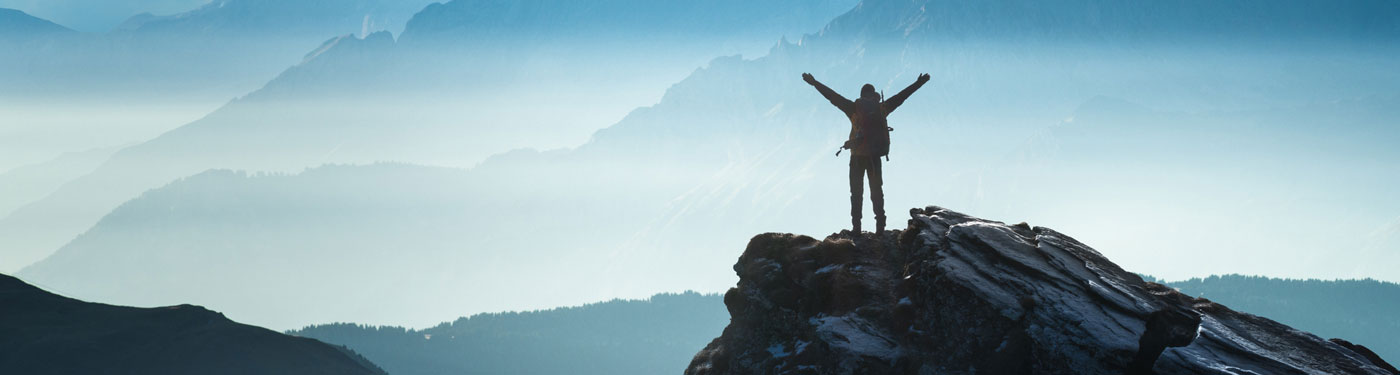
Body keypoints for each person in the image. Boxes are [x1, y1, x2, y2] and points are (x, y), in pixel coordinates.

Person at [802, 72, 930, 234]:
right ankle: (880, 229)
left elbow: (832, 96)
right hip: (874, 157)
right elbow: (902, 96)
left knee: (856, 193)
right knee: (877, 192)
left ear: (861, 95)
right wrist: (919, 83)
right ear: (874, 95)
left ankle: (856, 228)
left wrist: (814, 83)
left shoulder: (853, 108)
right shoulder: (881, 108)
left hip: (856, 157)